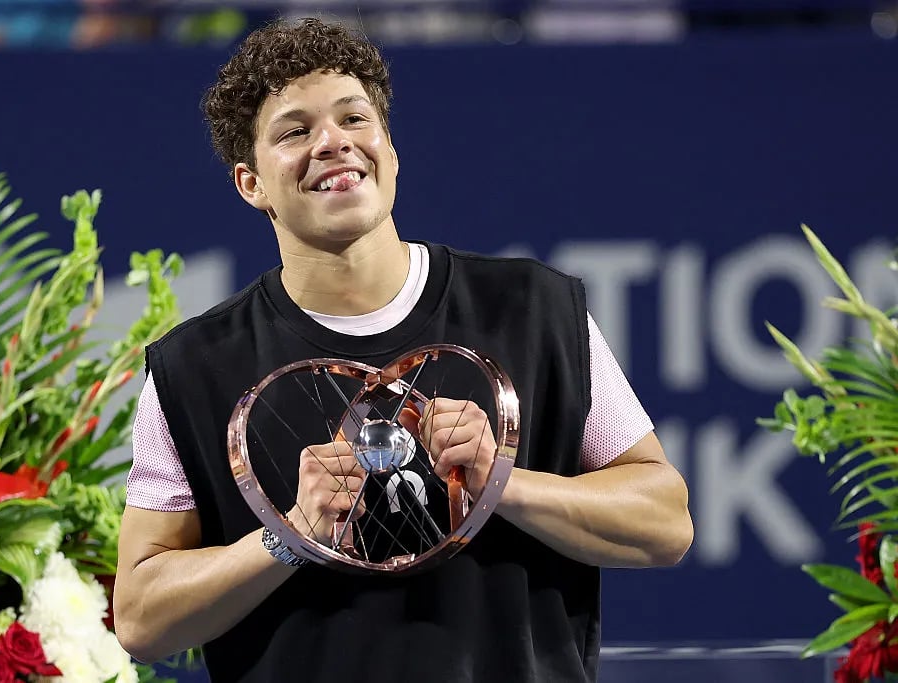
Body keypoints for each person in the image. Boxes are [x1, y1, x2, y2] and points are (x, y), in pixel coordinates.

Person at [113, 17, 693, 683]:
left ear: (388, 148)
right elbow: (141, 618)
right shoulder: (193, 368)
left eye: (354, 119)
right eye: (296, 130)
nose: (333, 142)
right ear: (251, 184)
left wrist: (501, 482)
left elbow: (665, 520)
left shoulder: (536, 309)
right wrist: (290, 534)